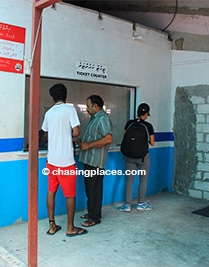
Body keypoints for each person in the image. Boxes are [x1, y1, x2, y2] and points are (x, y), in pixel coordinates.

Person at [41, 83, 88, 237]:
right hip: (66, 161)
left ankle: (52, 225)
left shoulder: (48, 113)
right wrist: (70, 136)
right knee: (70, 195)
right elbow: (76, 131)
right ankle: (70, 227)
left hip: (51, 160)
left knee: (51, 192)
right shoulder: (70, 109)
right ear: (65, 95)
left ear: (52, 97)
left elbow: (45, 133)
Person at [78, 95, 113, 227]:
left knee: (94, 190)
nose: (86, 108)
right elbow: (93, 137)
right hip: (89, 160)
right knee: (89, 189)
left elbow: (108, 139)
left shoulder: (103, 119)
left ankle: (95, 217)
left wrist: (88, 145)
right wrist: (81, 141)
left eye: (88, 106)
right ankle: (91, 212)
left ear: (95, 106)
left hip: (96, 162)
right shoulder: (94, 119)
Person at [118, 103, 155, 212]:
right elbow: (152, 143)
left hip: (129, 157)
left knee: (129, 181)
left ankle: (127, 205)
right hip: (143, 158)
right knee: (143, 181)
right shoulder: (148, 126)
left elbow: (124, 137)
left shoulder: (129, 123)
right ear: (147, 114)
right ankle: (141, 203)